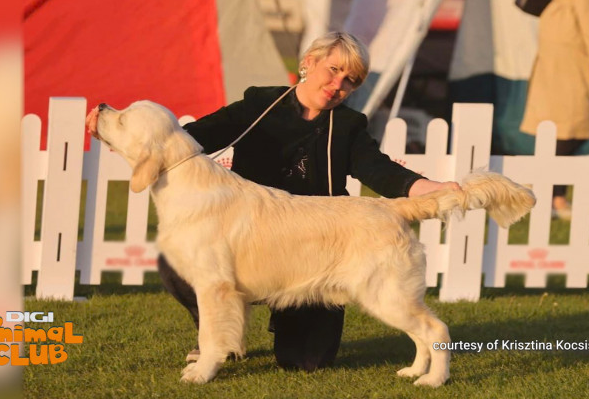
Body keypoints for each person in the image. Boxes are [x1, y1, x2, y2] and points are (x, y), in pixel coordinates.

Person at [86, 31, 460, 372]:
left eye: (350, 81)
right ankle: (216, 343)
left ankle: (272, 323)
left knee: (305, 362)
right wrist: (112, 130)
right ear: (308, 63)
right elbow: (191, 138)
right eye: (333, 71)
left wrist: (428, 187)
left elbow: (380, 171)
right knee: (188, 265)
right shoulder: (260, 104)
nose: (337, 85)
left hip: (322, 248)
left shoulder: (348, 126)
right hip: (253, 236)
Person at [519, 0, 589, 220]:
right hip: (573, 35)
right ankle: (551, 195)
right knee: (570, 121)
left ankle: (552, 194)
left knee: (560, 121)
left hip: (559, 29)